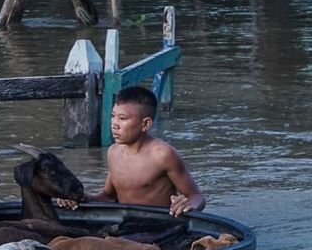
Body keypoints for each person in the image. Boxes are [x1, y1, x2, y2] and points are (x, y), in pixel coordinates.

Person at [58, 86, 205, 217]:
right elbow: (109, 197)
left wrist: (188, 205)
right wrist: (79, 197)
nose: (115, 124)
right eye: (113, 116)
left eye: (122, 118)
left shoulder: (162, 155)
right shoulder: (113, 152)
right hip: (125, 224)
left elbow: (196, 196)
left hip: (159, 226)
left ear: (145, 124)